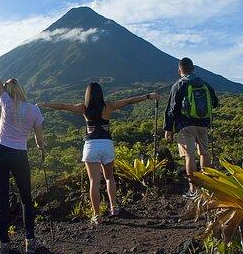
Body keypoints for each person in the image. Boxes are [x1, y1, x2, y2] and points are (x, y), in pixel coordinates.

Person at [40, 83, 160, 225]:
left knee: (94, 182)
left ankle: (96, 215)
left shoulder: (83, 108)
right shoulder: (108, 106)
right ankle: (114, 208)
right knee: (110, 178)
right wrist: (148, 96)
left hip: (91, 146)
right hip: (106, 144)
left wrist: (44, 104)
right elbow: (129, 100)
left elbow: (62, 106)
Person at [0, 42, 45, 254]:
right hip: (20, 155)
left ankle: (4, 244)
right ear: (22, 89)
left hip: (0, 153)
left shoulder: (6, 104)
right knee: (26, 198)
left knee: (2, 199)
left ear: (8, 91)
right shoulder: (34, 110)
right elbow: (39, 138)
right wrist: (41, 148)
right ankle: (30, 241)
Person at [164, 57, 219, 199]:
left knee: (189, 156)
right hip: (203, 124)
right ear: (193, 68)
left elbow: (172, 109)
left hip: (185, 125)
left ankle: (193, 190)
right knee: (204, 153)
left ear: (179, 70)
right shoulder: (204, 83)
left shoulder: (179, 84)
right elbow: (215, 102)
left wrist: (168, 128)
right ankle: (206, 188)